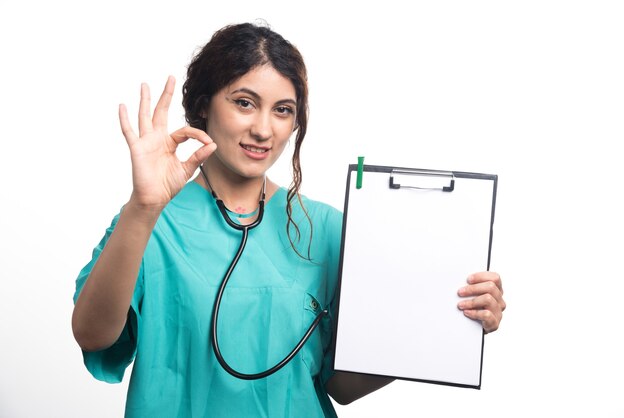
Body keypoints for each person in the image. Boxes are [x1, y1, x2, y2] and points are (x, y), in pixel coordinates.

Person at [71, 21, 506, 418]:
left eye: (283, 110)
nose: (264, 129)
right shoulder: (149, 223)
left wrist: (451, 328)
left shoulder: (329, 231)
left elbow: (343, 385)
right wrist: (143, 207)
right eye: (244, 103)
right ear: (204, 106)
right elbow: (93, 335)